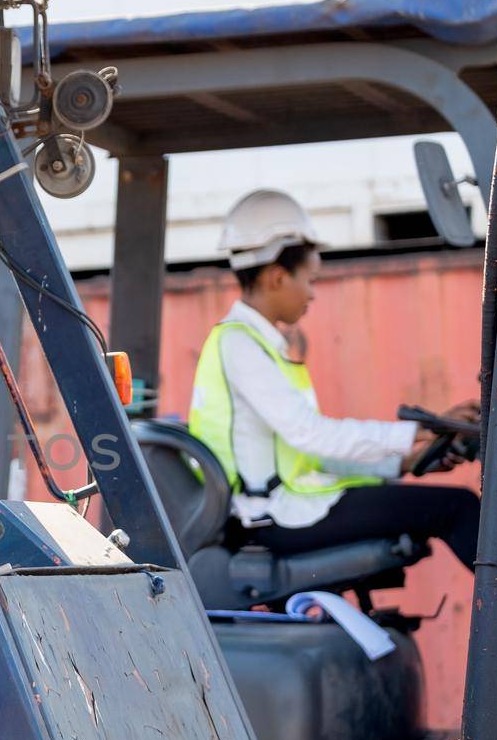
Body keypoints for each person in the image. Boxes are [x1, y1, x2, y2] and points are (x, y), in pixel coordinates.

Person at [188, 189, 480, 570]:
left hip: (284, 507)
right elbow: (312, 435)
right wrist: (412, 435)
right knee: (457, 508)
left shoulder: (257, 343)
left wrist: (402, 462)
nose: (312, 294)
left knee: (450, 506)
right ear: (277, 277)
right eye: (309, 280)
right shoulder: (240, 344)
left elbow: (305, 455)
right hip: (270, 518)